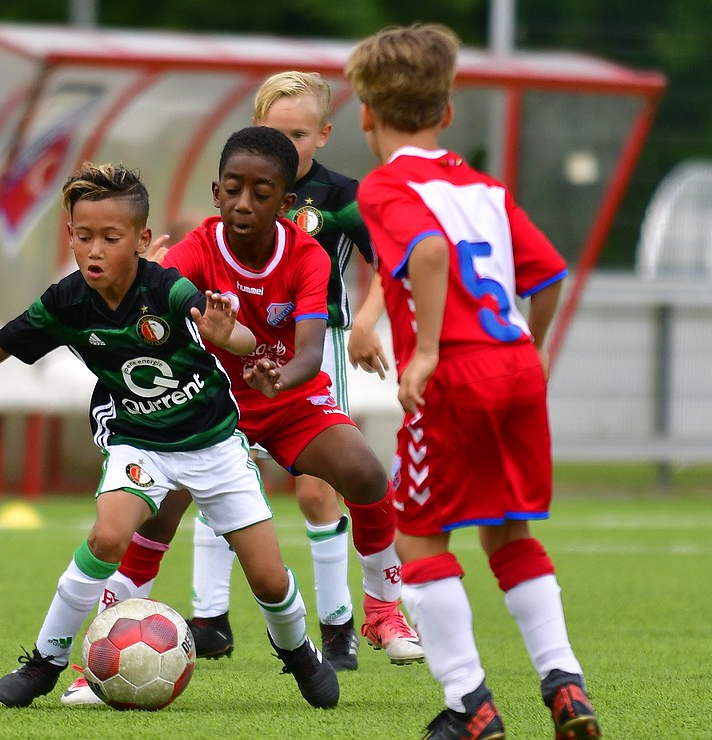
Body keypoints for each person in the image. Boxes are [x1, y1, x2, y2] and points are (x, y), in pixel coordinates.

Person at [0, 162, 338, 710]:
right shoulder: (66, 301)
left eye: (110, 238)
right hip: (139, 442)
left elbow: (237, 336)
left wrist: (230, 334)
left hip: (214, 444)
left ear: (142, 241)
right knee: (106, 538)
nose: (94, 250)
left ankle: (298, 652)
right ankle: (46, 661)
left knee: (268, 580)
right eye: (83, 237)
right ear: (70, 236)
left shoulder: (165, 288)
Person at [60, 127, 412, 707]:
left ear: (286, 202)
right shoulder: (197, 250)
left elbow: (308, 352)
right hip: (205, 407)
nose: (244, 203)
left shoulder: (307, 255)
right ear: (216, 192)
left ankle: (381, 608)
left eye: (261, 193)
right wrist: (144, 276)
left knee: (367, 473)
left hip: (288, 398)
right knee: (153, 519)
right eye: (233, 190)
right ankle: (96, 664)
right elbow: (151, 299)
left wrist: (279, 378)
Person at [344, 24, 598, 739]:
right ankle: (565, 684)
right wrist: (534, 349)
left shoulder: (386, 186)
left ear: (365, 114)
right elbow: (548, 273)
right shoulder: (483, 186)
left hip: (456, 372)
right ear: (448, 111)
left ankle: (468, 705)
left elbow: (427, 252)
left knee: (419, 539)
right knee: (508, 530)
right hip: (513, 365)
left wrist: (425, 351)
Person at [181, 71, 420, 671]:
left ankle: (342, 624)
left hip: (314, 346)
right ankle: (209, 617)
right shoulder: (240, 193)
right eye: (276, 131)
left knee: (321, 488)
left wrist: (367, 322)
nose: (289, 143)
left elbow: (392, 262)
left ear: (324, 134)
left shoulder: (339, 196)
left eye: (300, 134)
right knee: (217, 479)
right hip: (230, 359)